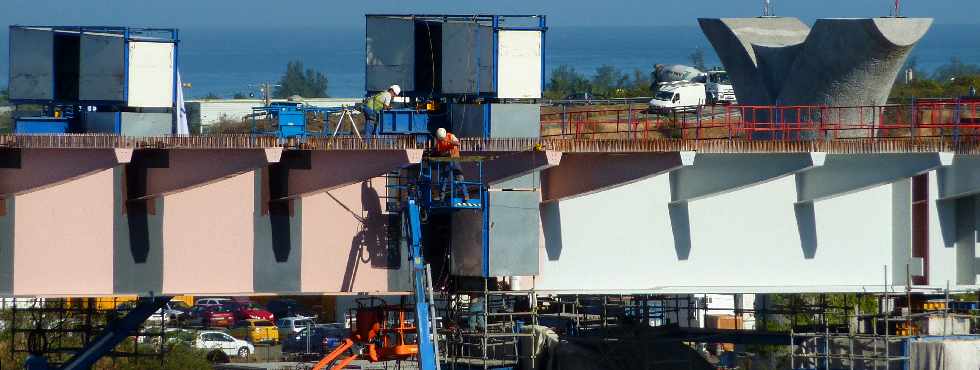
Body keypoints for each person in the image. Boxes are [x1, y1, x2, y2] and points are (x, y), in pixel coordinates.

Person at [434, 128, 469, 201]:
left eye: (442, 139)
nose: (441, 140)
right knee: (443, 179)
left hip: (454, 159)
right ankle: (441, 197)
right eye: (440, 139)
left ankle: (465, 195)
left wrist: (450, 141)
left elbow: (457, 143)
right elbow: (439, 152)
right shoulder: (439, 142)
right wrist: (445, 153)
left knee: (459, 177)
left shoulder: (450, 136)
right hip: (446, 161)